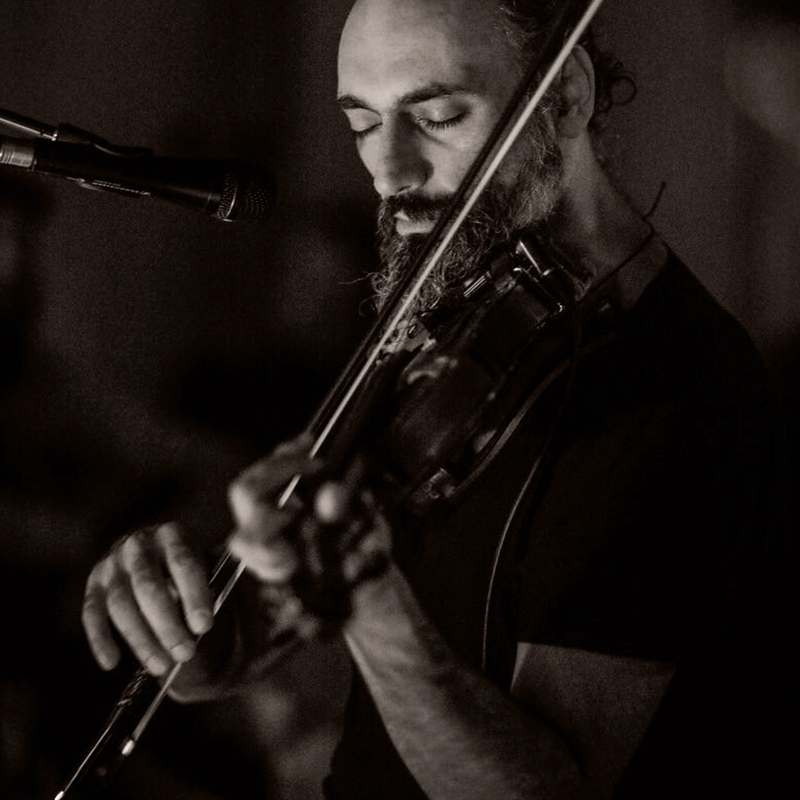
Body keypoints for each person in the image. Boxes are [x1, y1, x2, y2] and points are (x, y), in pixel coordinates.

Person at [81, 1, 784, 798]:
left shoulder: (678, 388)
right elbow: (263, 634)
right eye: (361, 124)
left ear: (565, 97)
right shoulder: (465, 312)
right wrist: (197, 632)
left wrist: (370, 605)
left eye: (437, 116)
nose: (389, 172)